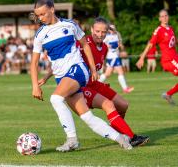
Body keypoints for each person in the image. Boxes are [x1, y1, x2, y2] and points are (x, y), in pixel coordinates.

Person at [30, 0, 132, 152]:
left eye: (42, 14)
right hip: (62, 77)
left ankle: (72, 140)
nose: (40, 18)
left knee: (56, 98)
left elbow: (84, 45)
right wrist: (35, 85)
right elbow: (34, 62)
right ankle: (121, 138)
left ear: (52, 9)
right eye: (38, 15)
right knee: (87, 117)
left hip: (77, 70)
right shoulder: (40, 34)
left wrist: (92, 68)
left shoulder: (70, 25)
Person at [40, 17, 149, 147]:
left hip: (95, 84)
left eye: (103, 32)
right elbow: (63, 62)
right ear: (92, 29)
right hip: (81, 84)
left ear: (107, 32)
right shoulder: (82, 43)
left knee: (123, 104)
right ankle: (131, 138)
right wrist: (46, 77)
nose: (100, 34)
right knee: (108, 105)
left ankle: (117, 130)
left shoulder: (104, 48)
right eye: (97, 31)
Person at [136, 9, 177, 105]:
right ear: (159, 19)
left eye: (166, 15)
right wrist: (142, 57)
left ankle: (168, 94)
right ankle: (168, 94)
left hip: (175, 58)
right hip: (168, 60)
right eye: (162, 16)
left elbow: (173, 44)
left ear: (168, 16)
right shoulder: (159, 30)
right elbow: (150, 44)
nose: (165, 18)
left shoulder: (170, 28)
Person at [98, 24, 134, 93]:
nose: (113, 30)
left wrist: (122, 49)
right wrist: (107, 46)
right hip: (112, 57)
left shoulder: (116, 35)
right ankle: (125, 88)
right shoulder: (107, 37)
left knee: (108, 74)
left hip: (115, 56)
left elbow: (119, 45)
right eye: (111, 28)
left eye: (114, 28)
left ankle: (95, 85)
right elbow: (102, 44)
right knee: (119, 72)